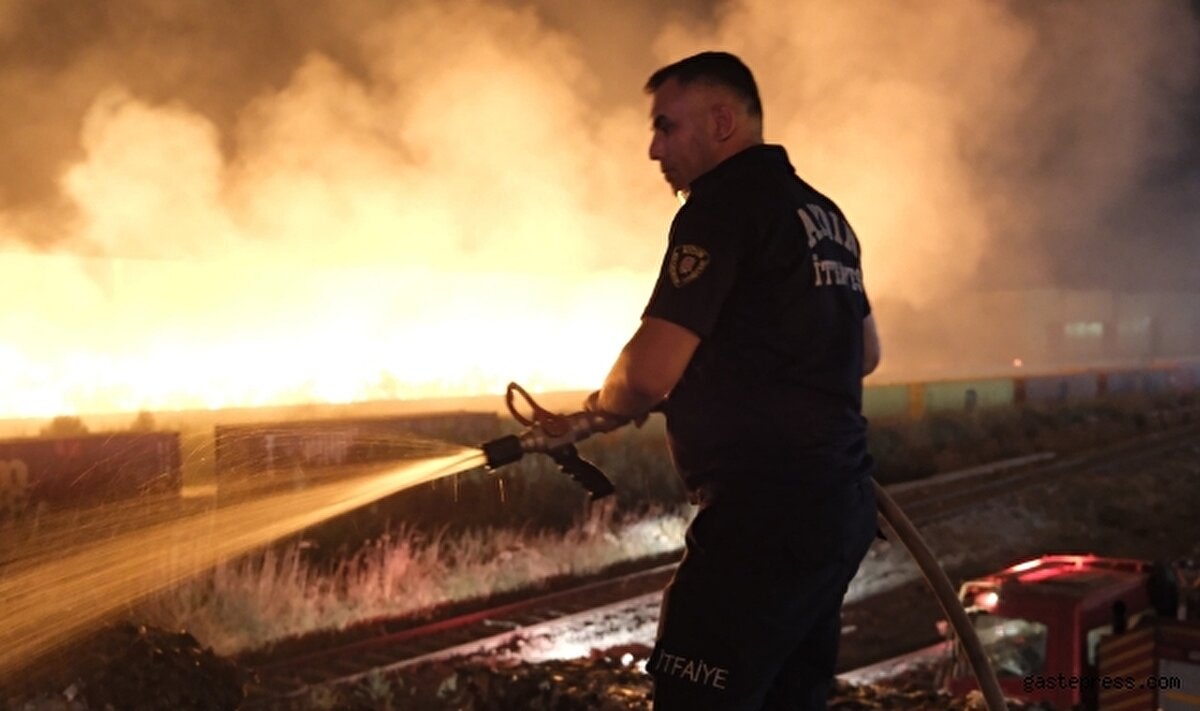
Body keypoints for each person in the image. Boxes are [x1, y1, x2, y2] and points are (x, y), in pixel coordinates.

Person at [583, 51, 882, 710]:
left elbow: (646, 374)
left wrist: (596, 409)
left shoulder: (721, 208)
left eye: (667, 126)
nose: (653, 148)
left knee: (695, 694)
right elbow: (864, 353)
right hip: (837, 509)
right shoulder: (825, 215)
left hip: (762, 520)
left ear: (721, 121)